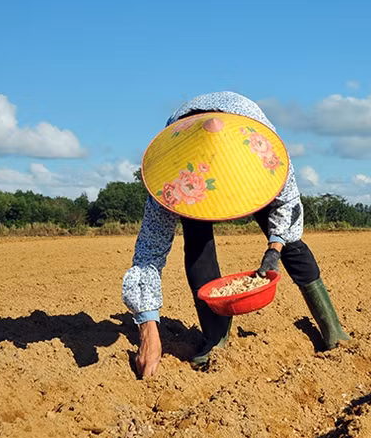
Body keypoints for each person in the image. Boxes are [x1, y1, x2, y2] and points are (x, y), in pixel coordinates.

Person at [122, 91, 350, 377]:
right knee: (197, 243)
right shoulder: (173, 177)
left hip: (247, 144)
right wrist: (148, 331)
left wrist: (274, 249)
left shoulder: (266, 153)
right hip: (186, 159)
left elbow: (287, 206)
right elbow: (148, 254)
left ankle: (333, 331)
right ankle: (215, 340)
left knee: (292, 245)